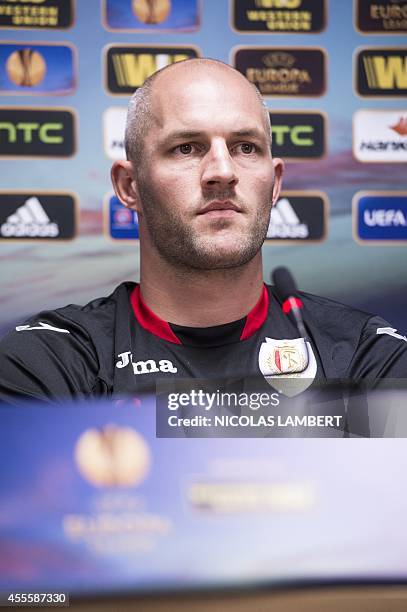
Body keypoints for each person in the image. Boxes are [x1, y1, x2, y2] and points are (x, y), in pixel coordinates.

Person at [0, 58, 406, 403]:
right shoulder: (52, 359)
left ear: (276, 182)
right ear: (129, 186)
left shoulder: (365, 355)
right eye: (186, 148)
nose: (223, 172)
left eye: (245, 147)